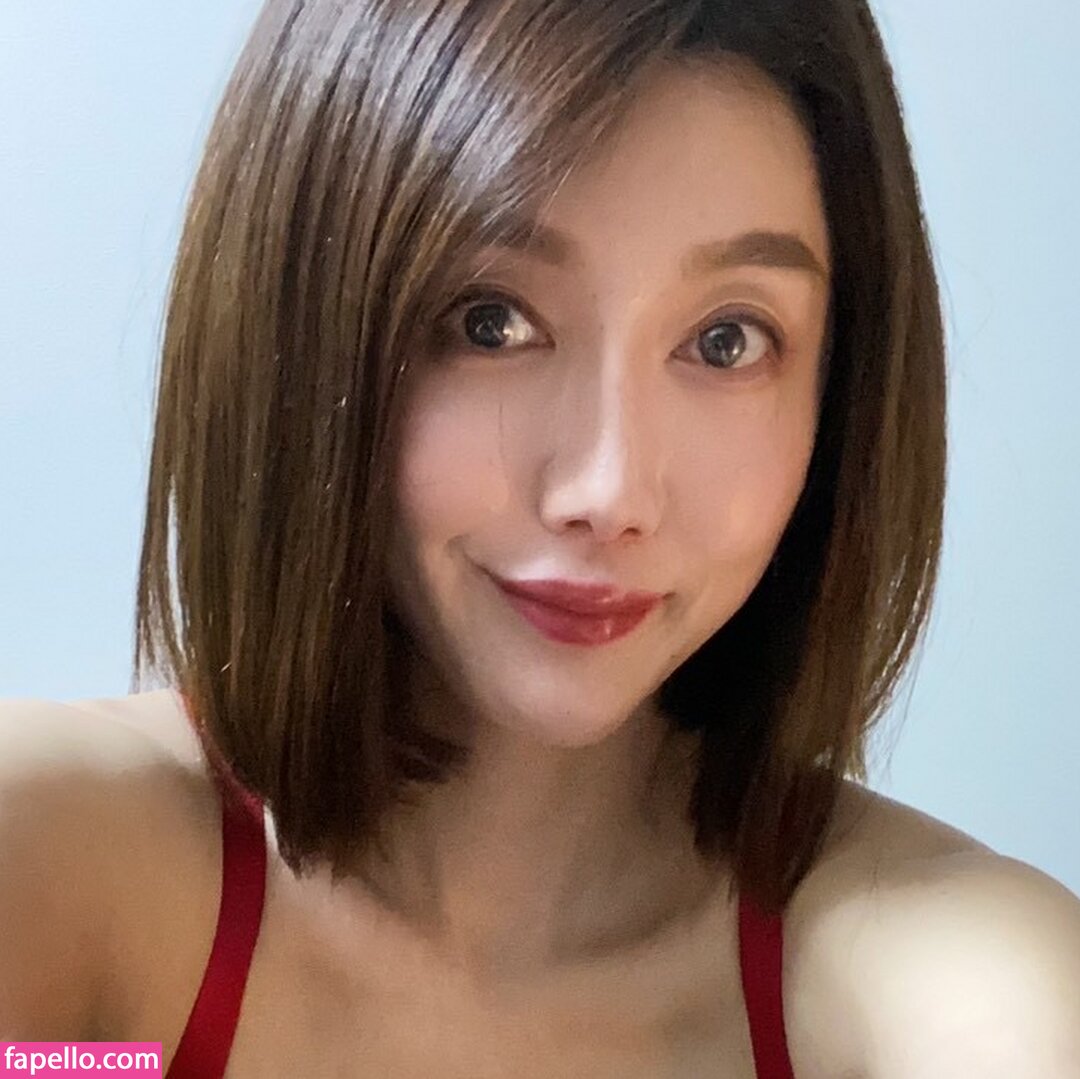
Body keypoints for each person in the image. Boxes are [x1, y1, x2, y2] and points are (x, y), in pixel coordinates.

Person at [3, 0, 1079, 1075]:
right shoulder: (53, 865)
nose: (609, 491)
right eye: (492, 322)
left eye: (726, 339)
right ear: (307, 330)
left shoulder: (951, 987)